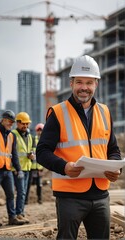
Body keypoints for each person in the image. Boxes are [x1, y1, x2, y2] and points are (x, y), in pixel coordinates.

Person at [36, 55, 122, 240]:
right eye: (80, 82)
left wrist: (115, 167)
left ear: (96, 84)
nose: (84, 87)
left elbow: (113, 149)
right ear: (71, 83)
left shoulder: (105, 112)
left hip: (100, 195)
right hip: (69, 195)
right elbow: (42, 152)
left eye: (89, 82)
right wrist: (64, 167)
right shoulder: (58, 112)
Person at [0, 110, 25, 227]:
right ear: (3, 119)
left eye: (13, 122)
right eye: (10, 121)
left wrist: (19, 169)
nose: (11, 123)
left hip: (7, 170)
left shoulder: (11, 136)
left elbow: (14, 154)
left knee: (10, 195)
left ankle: (12, 217)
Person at [12, 112, 35, 224]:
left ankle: (21, 212)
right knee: (20, 191)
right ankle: (18, 214)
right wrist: (16, 168)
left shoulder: (29, 136)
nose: (25, 126)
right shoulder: (13, 134)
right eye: (23, 124)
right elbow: (12, 152)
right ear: (17, 123)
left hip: (27, 167)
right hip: (17, 169)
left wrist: (32, 155)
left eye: (27, 124)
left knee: (24, 192)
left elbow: (31, 150)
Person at [25, 123, 44, 205]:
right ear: (36, 131)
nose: (40, 132)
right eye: (38, 130)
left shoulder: (44, 141)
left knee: (39, 185)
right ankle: (25, 200)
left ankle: (40, 199)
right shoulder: (33, 139)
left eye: (41, 130)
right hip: (31, 167)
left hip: (39, 167)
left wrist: (42, 168)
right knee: (28, 184)